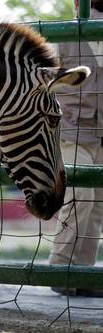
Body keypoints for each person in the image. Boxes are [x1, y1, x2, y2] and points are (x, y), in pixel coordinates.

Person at [49, 0, 103, 297]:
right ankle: (60, 269)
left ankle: (82, 272)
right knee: (80, 193)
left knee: (96, 204)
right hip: (71, 132)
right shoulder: (63, 36)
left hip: (100, 134)